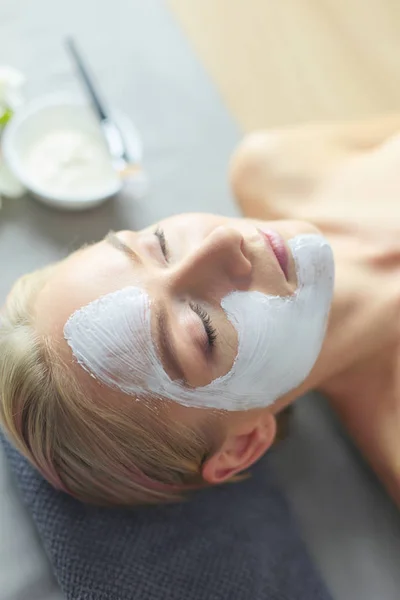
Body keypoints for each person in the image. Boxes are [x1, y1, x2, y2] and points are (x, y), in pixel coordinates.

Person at [1, 115, 400, 507]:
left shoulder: (277, 166)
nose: (224, 241)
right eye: (202, 330)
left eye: (160, 244)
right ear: (240, 446)